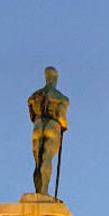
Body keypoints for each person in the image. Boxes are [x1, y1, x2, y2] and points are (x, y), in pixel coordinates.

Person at [28, 66, 69, 195]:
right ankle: (44, 191)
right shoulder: (61, 98)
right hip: (52, 125)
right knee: (47, 159)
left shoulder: (34, 97)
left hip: (38, 126)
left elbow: (32, 116)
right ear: (55, 79)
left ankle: (38, 191)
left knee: (38, 161)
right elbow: (61, 117)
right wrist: (64, 126)